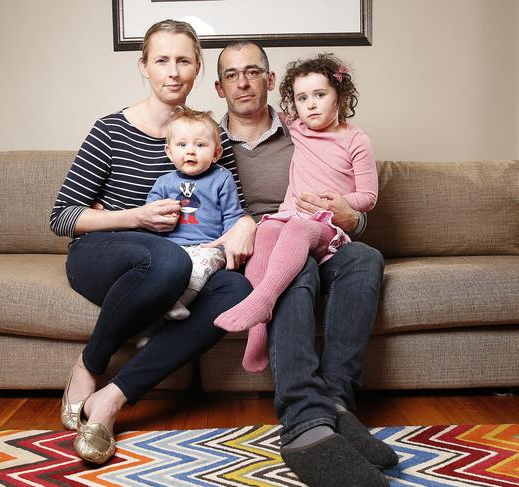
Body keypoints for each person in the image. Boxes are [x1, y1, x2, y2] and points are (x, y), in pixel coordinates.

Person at [49, 20, 254, 464]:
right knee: (169, 263)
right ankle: (89, 364)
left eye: (183, 60)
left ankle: (112, 400)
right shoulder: (110, 131)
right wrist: (135, 217)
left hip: (178, 259)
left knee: (237, 289)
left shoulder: (207, 136)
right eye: (161, 60)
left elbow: (234, 206)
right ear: (144, 67)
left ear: (198, 69)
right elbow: (62, 217)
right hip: (102, 255)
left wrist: (248, 224)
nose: (173, 71)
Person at [214, 41, 396, 487]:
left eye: (253, 71)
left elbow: (355, 197)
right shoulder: (208, 139)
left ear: (271, 82)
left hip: (321, 233)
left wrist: (353, 215)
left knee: (365, 257)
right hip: (267, 241)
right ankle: (304, 422)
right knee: (298, 266)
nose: (243, 82)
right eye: (232, 74)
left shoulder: (297, 128)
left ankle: (336, 406)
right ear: (219, 88)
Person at [215, 53, 378, 374]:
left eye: (320, 95)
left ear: (340, 96)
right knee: (268, 233)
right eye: (303, 98)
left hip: (324, 226)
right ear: (220, 87)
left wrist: (343, 207)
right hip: (284, 222)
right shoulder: (212, 141)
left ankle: (264, 299)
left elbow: (368, 196)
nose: (312, 105)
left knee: (310, 236)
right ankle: (258, 330)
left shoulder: (351, 139)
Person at [146, 106, 244, 323]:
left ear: (216, 153)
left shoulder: (222, 178)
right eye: (182, 145)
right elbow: (150, 215)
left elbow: (232, 216)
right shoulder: (164, 183)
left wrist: (229, 250)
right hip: (171, 248)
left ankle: (176, 303)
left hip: (208, 246)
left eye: (200, 145)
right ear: (170, 151)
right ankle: (152, 323)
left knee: (198, 271)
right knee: (160, 272)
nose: (190, 151)